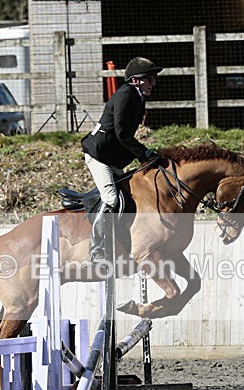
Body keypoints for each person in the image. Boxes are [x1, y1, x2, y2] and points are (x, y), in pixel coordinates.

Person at [81, 56, 163, 262]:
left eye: (153, 78)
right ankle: (97, 248)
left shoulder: (137, 96)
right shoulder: (126, 95)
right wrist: (144, 154)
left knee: (127, 197)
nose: (153, 82)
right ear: (135, 80)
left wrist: (145, 154)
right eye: (149, 78)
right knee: (111, 199)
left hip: (112, 156)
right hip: (99, 155)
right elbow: (122, 134)